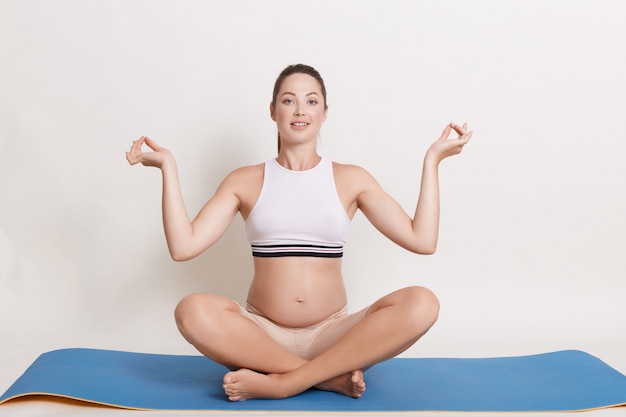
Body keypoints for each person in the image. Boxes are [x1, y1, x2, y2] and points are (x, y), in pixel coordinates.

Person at [126, 63, 472, 401]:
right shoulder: (244, 180)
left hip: (332, 334)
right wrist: (167, 168)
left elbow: (422, 240)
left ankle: (283, 383)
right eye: (289, 100)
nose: (300, 110)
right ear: (273, 111)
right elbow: (183, 247)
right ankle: (326, 378)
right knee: (191, 310)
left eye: (311, 101)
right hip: (261, 334)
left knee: (422, 303)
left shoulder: (351, 178)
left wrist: (433, 161)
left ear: (324, 112)